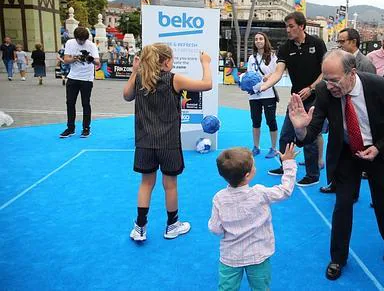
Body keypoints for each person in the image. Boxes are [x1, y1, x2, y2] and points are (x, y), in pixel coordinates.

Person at [290, 49, 384, 280]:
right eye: (326, 79)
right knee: (342, 205)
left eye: (334, 80)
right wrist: (300, 128)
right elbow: (312, 132)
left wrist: (379, 147)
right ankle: (337, 258)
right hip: (345, 151)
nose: (329, 85)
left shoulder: (382, 86)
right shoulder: (324, 91)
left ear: (351, 73)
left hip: (377, 150)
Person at [122, 43, 212, 242]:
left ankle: (140, 227)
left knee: (146, 183)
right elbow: (207, 84)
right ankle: (172, 225)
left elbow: (127, 95)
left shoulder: (140, 78)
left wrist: (135, 71)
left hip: (145, 142)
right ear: (166, 61)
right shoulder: (174, 79)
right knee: (170, 185)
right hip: (168, 143)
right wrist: (205, 63)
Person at [208, 143, 297, 291]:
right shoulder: (260, 193)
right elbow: (285, 190)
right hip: (259, 255)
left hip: (230, 256)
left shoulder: (219, 198)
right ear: (248, 175)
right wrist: (288, 163)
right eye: (253, 165)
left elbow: (215, 228)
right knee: (261, 288)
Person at [256, 11, 327, 186]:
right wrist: (263, 86)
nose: (287, 30)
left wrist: (311, 88)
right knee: (286, 135)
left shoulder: (317, 44)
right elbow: (278, 72)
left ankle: (312, 175)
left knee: (309, 137)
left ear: (301, 26)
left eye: (291, 26)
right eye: (286, 27)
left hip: (315, 98)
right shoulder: (285, 48)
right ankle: (285, 165)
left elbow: (325, 72)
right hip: (296, 99)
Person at [320, 27, 376, 194]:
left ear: (353, 42)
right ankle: (337, 183)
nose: (339, 44)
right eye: (338, 41)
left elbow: (369, 93)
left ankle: (356, 190)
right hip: (340, 118)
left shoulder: (365, 63)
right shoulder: (336, 61)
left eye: (342, 41)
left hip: (360, 124)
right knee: (338, 152)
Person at [59, 27, 100, 138]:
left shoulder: (91, 45)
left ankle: (86, 128)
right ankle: (70, 128)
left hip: (86, 78)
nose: (82, 42)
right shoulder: (70, 43)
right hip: (73, 77)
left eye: (84, 40)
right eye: (80, 40)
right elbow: (66, 59)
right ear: (76, 38)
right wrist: (76, 58)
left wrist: (89, 58)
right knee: (70, 103)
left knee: (85, 103)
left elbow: (97, 62)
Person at [246, 32, 279, 158]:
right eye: (256, 39)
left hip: (268, 94)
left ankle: (274, 148)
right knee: (255, 121)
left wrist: (268, 77)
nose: (258, 41)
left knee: (271, 121)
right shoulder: (251, 58)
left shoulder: (272, 56)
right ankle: (256, 147)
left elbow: (277, 72)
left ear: (265, 41)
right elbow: (249, 75)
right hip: (254, 95)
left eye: (261, 39)